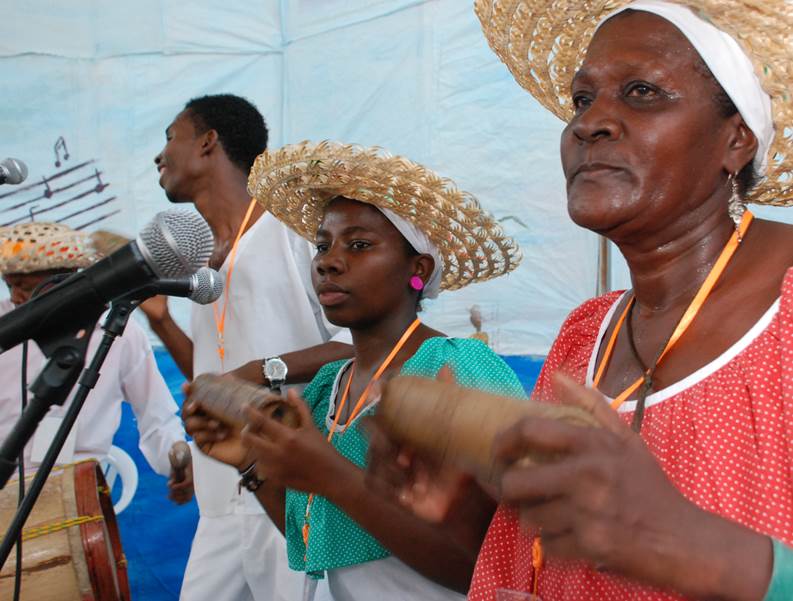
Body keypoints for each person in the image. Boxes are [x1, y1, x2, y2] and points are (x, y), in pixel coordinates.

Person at [452, 1, 793, 599]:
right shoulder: (586, 333)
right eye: (583, 100)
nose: (590, 123)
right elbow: (523, 556)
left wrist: (692, 544)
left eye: (641, 92)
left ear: (735, 140)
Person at [183, 140, 524, 600]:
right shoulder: (328, 388)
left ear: (418, 270)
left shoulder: (455, 368)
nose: (328, 261)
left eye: (359, 245)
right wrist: (251, 461)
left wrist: (332, 475)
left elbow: (491, 564)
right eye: (323, 245)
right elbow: (315, 538)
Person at [139, 95, 353, 601]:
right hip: (221, 492)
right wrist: (161, 320)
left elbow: (356, 344)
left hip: (293, 490)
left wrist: (263, 371)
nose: (159, 155)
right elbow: (212, 365)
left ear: (209, 142)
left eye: (171, 137)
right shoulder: (199, 260)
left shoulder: (296, 231)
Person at [0, 221, 187, 488]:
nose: (16, 297)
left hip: (79, 491)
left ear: (69, 278)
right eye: (10, 286)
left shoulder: (119, 331)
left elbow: (156, 415)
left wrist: (176, 461)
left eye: (26, 287)